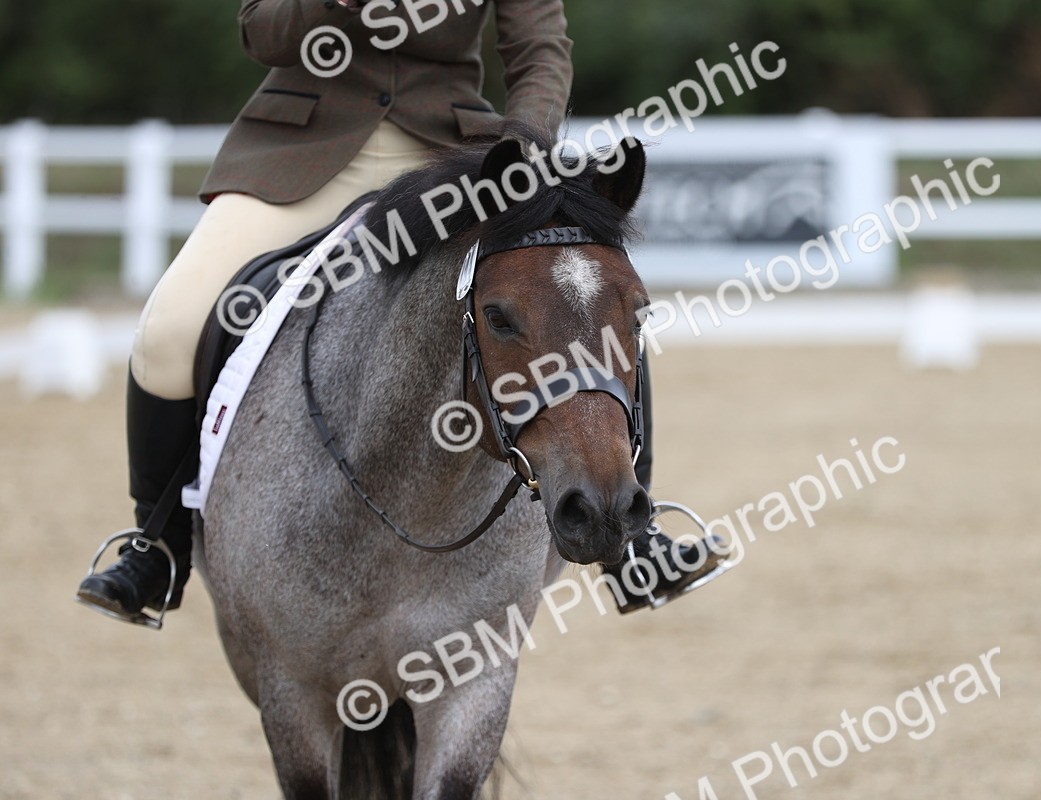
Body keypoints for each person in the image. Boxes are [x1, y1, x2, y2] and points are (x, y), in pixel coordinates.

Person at [76, 0, 728, 625]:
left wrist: (523, 151)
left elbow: (540, 50)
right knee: (169, 329)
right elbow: (262, 32)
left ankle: (634, 538)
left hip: (450, 157)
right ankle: (157, 550)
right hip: (300, 153)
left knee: (584, 294)